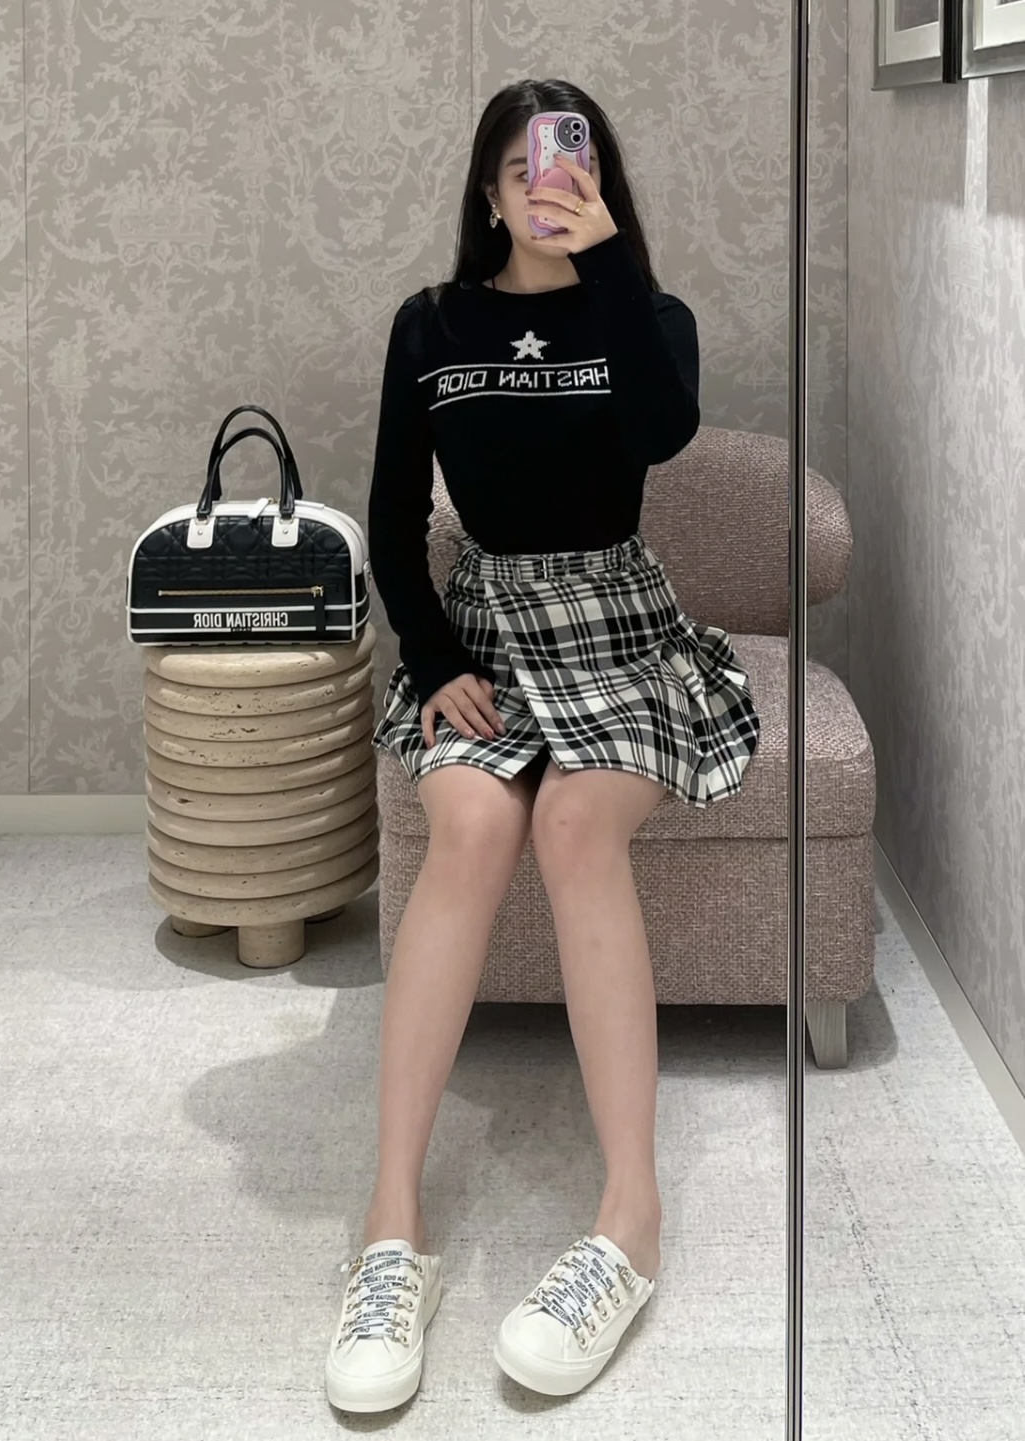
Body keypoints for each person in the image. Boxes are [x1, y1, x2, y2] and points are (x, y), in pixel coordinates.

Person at [325, 77, 760, 1414]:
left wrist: (610, 263)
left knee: (573, 822)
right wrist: (436, 661)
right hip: (484, 630)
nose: (542, 181)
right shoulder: (431, 325)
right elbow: (392, 518)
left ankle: (630, 1217)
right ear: (485, 188)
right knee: (468, 822)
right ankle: (390, 1228)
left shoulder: (648, 316)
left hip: (620, 626)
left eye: (566, 160)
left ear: (598, 178)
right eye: (517, 165)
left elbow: (664, 433)